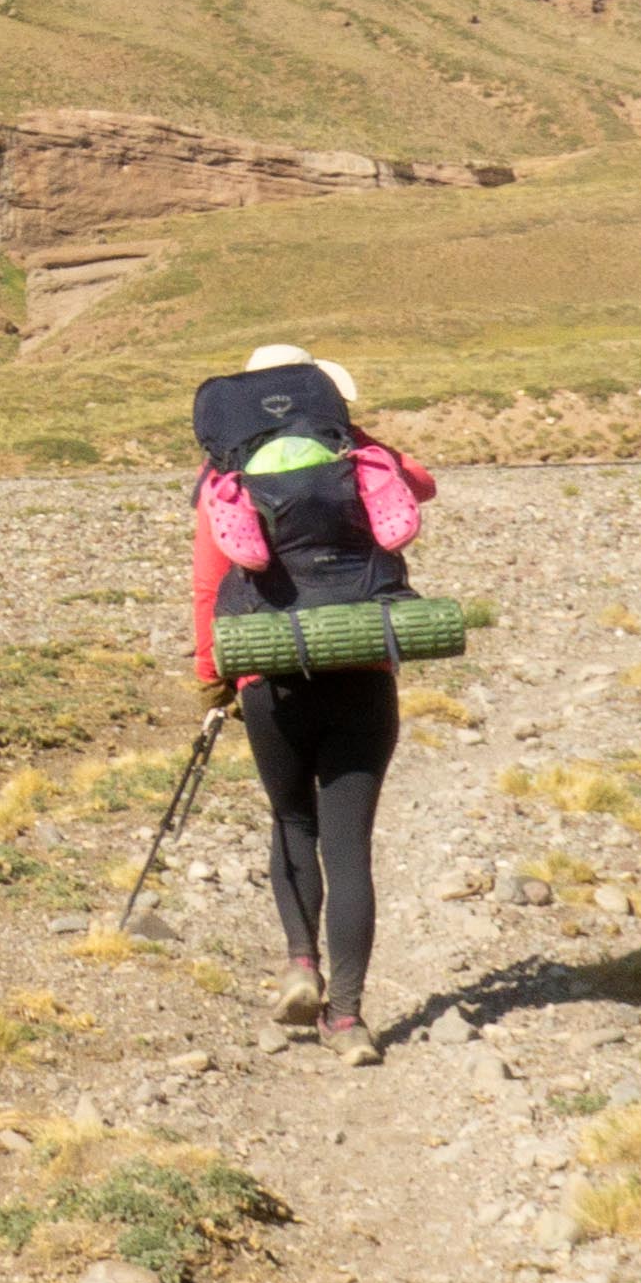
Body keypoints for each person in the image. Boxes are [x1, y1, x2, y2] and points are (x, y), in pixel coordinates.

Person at [189, 343, 435, 1063]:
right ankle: (349, 1018)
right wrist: (355, 442)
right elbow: (422, 484)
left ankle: (301, 964)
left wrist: (215, 681)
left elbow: (209, 590)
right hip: (360, 664)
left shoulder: (225, 480)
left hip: (269, 678)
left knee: (291, 820)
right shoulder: (360, 466)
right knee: (348, 843)